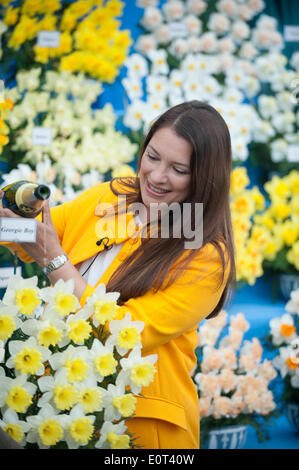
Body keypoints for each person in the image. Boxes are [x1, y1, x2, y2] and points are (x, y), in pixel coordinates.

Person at [0, 101, 236, 449]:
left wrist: (52, 259)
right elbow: (40, 233)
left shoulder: (206, 257)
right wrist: (11, 217)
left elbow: (120, 332)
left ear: (205, 179)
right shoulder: (117, 195)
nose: (156, 176)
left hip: (139, 427)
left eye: (178, 169)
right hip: (64, 408)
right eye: (152, 157)